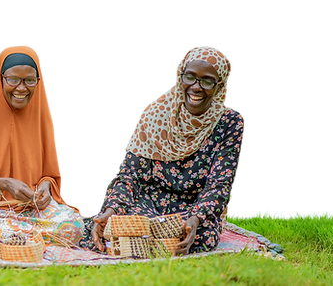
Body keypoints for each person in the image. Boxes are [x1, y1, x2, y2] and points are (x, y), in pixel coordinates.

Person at [81, 42, 247, 255]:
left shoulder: (231, 121)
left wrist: (196, 219)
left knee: (202, 236)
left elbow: (220, 184)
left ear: (220, 86)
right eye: (190, 77)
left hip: (192, 206)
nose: (196, 87)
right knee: (111, 222)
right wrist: (113, 209)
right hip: (146, 200)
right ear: (180, 75)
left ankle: (141, 242)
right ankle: (136, 236)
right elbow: (128, 174)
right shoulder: (156, 111)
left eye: (207, 81)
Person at [0, 42, 86, 215]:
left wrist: (45, 187)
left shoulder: (40, 116)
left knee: (74, 227)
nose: (21, 88)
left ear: (38, 80)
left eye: (29, 80)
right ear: (0, 79)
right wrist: (5, 184)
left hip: (34, 208)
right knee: (13, 240)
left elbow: (50, 175)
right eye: (13, 80)